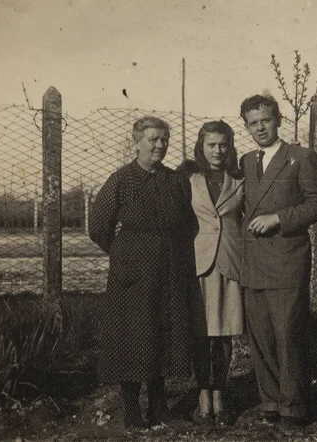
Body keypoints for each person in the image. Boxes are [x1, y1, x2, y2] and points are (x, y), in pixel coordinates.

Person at [88, 116, 197, 428]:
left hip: (169, 270)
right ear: (137, 143)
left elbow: (188, 222)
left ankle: (160, 406)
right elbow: (97, 226)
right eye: (153, 139)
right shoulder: (121, 180)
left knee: (162, 333)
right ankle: (133, 408)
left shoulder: (176, 180)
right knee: (133, 336)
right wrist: (124, 253)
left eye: (164, 139)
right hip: (132, 274)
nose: (160, 145)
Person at [238, 94, 317, 427]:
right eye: (252, 123)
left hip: (287, 259)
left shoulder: (301, 157)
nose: (260, 128)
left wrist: (279, 218)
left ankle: (294, 407)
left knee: (288, 334)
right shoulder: (246, 161)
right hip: (254, 261)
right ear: (246, 127)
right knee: (260, 335)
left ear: (277, 119)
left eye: (265, 120)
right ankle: (271, 402)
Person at [178, 120, 245, 427]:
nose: (218, 151)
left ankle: (220, 395)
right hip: (197, 262)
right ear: (201, 146)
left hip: (230, 261)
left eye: (223, 145)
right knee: (200, 333)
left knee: (224, 333)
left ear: (230, 146)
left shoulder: (240, 177)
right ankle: (203, 396)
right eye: (211, 145)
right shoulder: (188, 177)